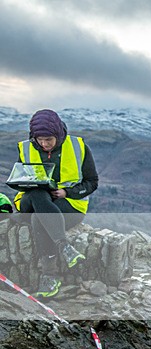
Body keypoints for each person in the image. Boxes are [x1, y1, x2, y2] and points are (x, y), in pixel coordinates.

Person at [13, 109, 99, 298]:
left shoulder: (78, 146)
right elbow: (20, 177)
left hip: (68, 205)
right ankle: (64, 246)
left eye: (48, 140)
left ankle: (49, 277)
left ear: (58, 134)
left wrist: (67, 192)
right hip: (29, 201)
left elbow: (92, 182)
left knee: (38, 219)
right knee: (37, 192)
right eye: (39, 140)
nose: (44, 144)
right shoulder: (26, 148)